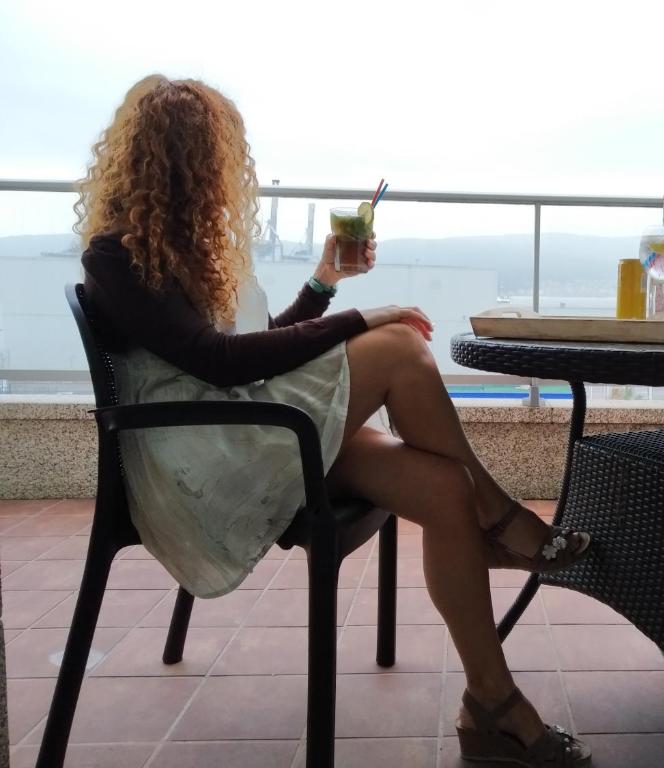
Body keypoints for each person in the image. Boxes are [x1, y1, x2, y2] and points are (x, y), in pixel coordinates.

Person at [77, 75, 592, 766]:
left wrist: (324, 283)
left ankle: (490, 704)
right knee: (401, 347)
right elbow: (222, 363)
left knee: (443, 491)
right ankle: (505, 523)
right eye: (210, 161)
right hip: (203, 459)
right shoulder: (114, 254)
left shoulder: (176, 256)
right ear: (188, 167)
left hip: (243, 430)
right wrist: (362, 317)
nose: (218, 179)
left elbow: (246, 353)